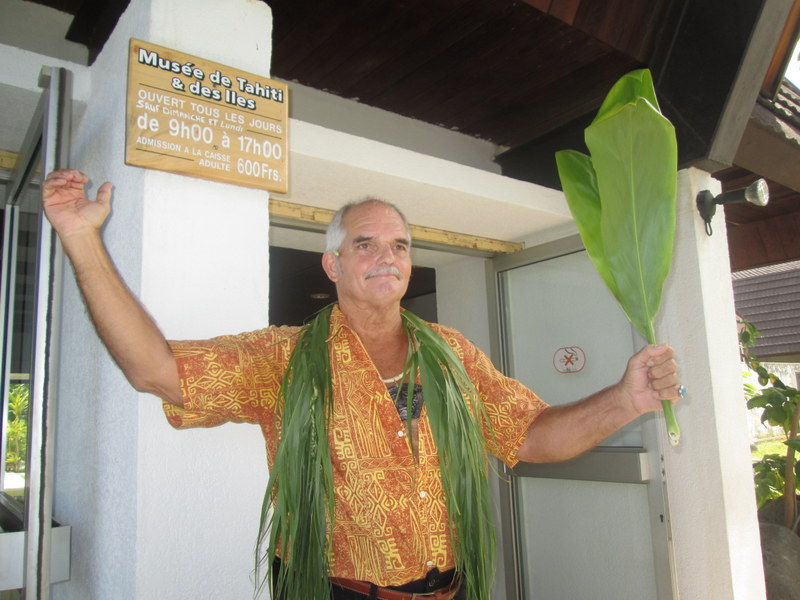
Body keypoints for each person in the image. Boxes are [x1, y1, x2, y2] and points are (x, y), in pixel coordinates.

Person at [42, 169, 682, 600]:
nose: (388, 257)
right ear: (333, 263)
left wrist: (626, 399)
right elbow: (155, 369)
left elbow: (533, 436)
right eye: (367, 244)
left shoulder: (453, 354)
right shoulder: (286, 357)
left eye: (400, 246)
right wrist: (81, 239)